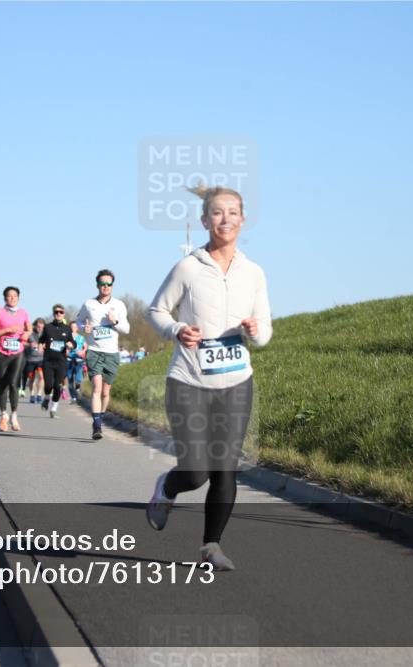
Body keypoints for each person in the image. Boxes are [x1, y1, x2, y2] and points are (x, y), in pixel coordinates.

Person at [144, 185, 272, 571]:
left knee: (225, 469)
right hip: (188, 380)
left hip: (236, 383)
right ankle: (167, 488)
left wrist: (253, 329)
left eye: (233, 212)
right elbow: (156, 311)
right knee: (196, 470)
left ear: (243, 220)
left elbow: (265, 331)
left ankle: (210, 547)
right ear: (205, 220)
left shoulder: (253, 272)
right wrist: (176, 330)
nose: (226, 219)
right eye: (217, 213)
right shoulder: (188, 267)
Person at [77, 269, 130, 440]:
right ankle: (97, 425)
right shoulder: (88, 304)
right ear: (97, 285)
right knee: (97, 389)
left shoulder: (119, 305)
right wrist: (82, 328)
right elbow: (78, 321)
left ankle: (99, 417)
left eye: (109, 284)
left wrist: (114, 321)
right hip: (94, 351)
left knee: (106, 393)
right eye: (102, 284)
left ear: (112, 286)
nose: (105, 287)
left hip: (112, 353)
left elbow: (126, 329)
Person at [0, 286, 30, 431]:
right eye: (9, 296)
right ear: (5, 298)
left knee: (14, 384)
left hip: (17, 353)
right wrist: (7, 330)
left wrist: (26, 334)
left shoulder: (23, 313)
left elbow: (29, 328)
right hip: (2, 353)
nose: (12, 298)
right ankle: (3, 415)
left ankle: (14, 416)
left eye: (15, 296)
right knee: (3, 384)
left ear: (18, 298)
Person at [39, 304, 74, 418]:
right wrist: (40, 346)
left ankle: (54, 408)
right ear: (54, 314)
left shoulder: (67, 328)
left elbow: (74, 343)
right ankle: (46, 398)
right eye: (56, 312)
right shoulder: (48, 327)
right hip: (48, 361)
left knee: (58, 386)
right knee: (48, 385)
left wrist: (71, 344)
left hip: (61, 362)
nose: (58, 314)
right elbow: (41, 340)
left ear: (63, 314)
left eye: (61, 312)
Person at [23, 318, 45, 403]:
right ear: (35, 326)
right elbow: (22, 343)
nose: (40, 329)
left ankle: (39, 395)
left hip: (41, 359)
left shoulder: (45, 335)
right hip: (30, 360)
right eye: (39, 327)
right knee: (31, 378)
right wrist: (29, 344)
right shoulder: (30, 334)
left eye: (42, 327)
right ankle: (32, 395)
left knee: (41, 376)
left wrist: (44, 346)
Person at [66, 320, 87, 403]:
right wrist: (66, 350)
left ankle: (77, 388)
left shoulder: (81, 337)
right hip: (68, 359)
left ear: (77, 328)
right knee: (70, 379)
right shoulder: (66, 337)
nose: (73, 328)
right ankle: (73, 397)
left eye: (74, 327)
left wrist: (83, 351)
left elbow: (85, 347)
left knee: (78, 378)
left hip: (78, 359)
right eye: (71, 327)